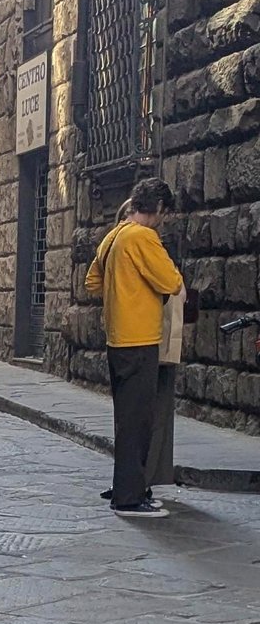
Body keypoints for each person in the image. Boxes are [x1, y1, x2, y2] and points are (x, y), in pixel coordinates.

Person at [85, 177, 183, 519]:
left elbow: (92, 281)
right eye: (163, 213)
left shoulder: (113, 236)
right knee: (138, 419)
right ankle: (128, 497)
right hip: (140, 338)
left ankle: (127, 484)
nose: (163, 219)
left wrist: (120, 294)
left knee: (125, 418)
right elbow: (171, 281)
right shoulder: (143, 237)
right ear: (156, 208)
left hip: (116, 337)